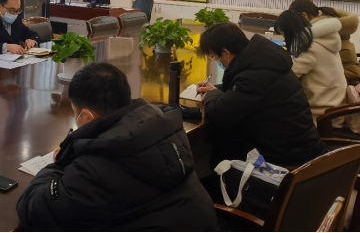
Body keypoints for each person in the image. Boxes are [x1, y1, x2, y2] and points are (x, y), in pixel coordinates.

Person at [16, 63, 218, 232]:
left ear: (86, 116)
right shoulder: (160, 124)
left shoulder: (95, 169)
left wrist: (61, 163)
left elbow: (33, 210)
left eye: (75, 113)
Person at [196, 23, 327, 168]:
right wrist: (217, 90)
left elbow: (220, 114)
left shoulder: (253, 76)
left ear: (225, 53)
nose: (215, 60)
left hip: (288, 160)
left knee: (225, 144)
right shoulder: (264, 60)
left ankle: (219, 181)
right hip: (302, 147)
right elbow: (242, 90)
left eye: (213, 56)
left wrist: (212, 94)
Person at [275, 10, 347, 124]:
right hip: (336, 103)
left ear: (291, 31)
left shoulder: (311, 48)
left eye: (284, 34)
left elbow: (289, 74)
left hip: (322, 113)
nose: (284, 39)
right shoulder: (324, 40)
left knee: (274, 113)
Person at [289, 0, 360, 78]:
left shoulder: (322, 30)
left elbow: (307, 59)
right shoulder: (329, 21)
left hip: (347, 75)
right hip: (351, 70)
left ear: (304, 15)